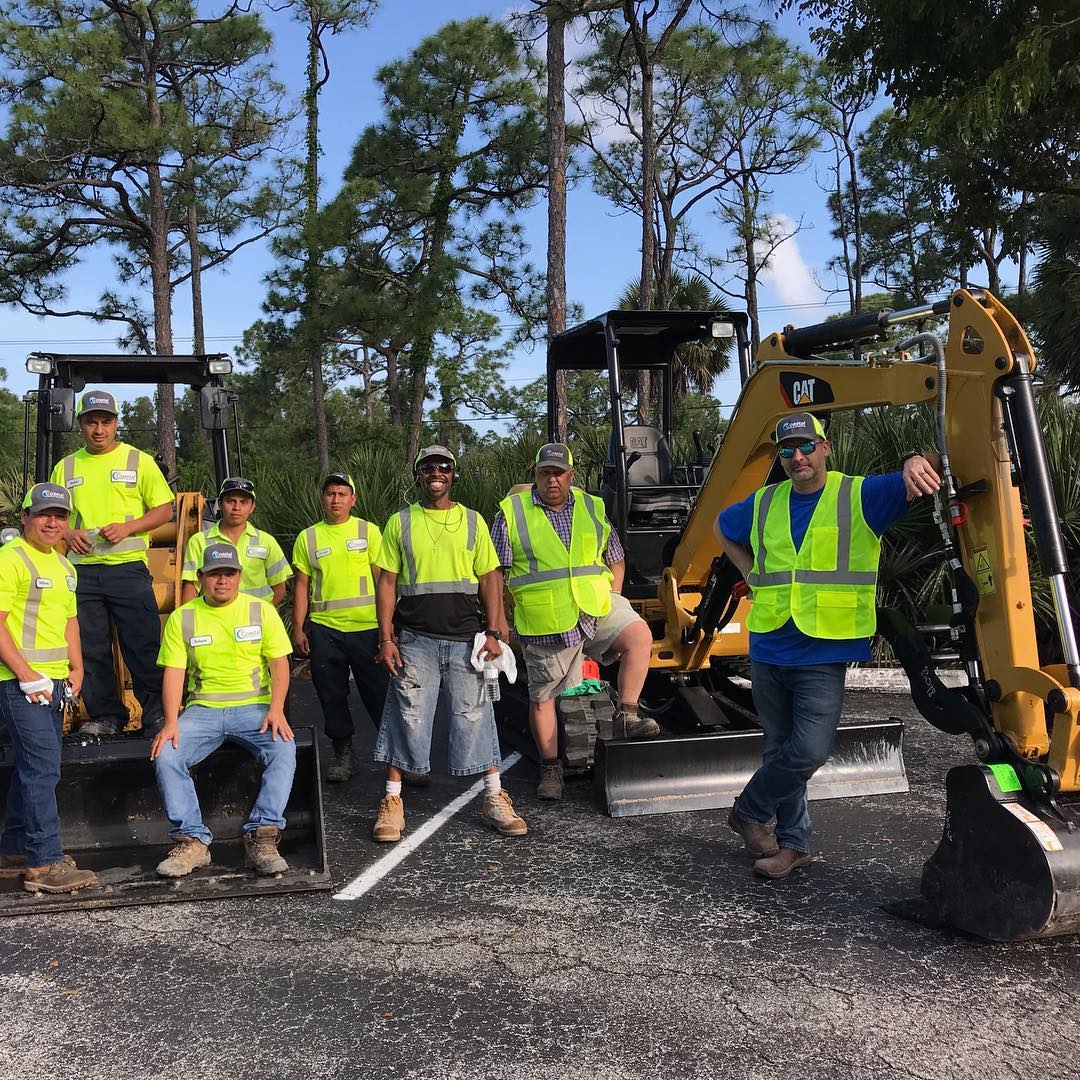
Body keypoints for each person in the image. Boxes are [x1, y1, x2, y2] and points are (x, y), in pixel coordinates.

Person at [718, 412, 941, 879]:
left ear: (825, 447)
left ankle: (749, 809)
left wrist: (914, 459)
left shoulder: (860, 495)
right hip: (769, 644)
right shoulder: (763, 503)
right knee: (780, 748)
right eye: (786, 449)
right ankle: (792, 843)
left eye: (805, 446)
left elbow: (933, 464)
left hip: (824, 649)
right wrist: (749, 572)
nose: (796, 456)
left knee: (810, 749)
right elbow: (722, 526)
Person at [370, 445, 525, 842]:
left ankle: (494, 798)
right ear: (418, 476)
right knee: (407, 716)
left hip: (465, 641)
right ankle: (392, 803)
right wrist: (386, 638)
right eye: (427, 467)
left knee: (476, 715)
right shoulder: (399, 523)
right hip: (414, 640)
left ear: (453, 475)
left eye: (443, 467)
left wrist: (496, 630)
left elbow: (491, 578)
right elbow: (387, 582)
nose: (435, 473)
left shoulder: (473, 522)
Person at [491, 443, 658, 801]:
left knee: (639, 635)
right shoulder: (512, 513)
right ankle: (551, 768)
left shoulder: (591, 507)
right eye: (545, 473)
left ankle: (626, 713)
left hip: (595, 608)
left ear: (571, 475)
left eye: (559, 473)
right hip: (547, 618)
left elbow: (615, 557)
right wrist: (499, 621)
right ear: (535, 475)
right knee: (544, 697)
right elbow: (493, 573)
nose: (553, 480)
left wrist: (613, 595)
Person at [150, 543, 296, 878]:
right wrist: (170, 722)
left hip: (254, 707)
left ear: (239, 576)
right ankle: (193, 841)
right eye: (214, 574)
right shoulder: (183, 617)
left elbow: (280, 665)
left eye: (228, 574)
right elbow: (174, 673)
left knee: (283, 749)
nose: (222, 581)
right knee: (167, 754)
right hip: (203, 709)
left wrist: (276, 709)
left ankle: (262, 836)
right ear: (201, 577)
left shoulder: (261, 611)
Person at [51, 390, 174, 737]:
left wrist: (129, 527)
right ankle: (107, 716)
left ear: (116, 423)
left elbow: (164, 509)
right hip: (82, 572)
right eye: (91, 422)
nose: (99, 429)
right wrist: (69, 531)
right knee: (91, 648)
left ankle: (156, 715)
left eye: (106, 422)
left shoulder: (139, 461)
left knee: (143, 644)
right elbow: (53, 516)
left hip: (128, 570)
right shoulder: (67, 467)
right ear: (81, 425)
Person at [0, 483, 97, 894]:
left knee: (34, 768)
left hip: (54, 682)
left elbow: (70, 623)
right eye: (43, 514)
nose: (52, 522)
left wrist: (77, 668)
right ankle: (45, 862)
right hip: (22, 684)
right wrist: (25, 675)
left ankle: (13, 852)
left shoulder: (65, 566)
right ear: (25, 517)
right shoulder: (10, 559)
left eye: (59, 516)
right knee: (43, 769)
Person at [291, 471, 389, 783]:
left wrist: (388, 628)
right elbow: (302, 585)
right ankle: (344, 755)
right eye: (331, 493)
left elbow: (383, 580)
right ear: (323, 498)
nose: (336, 499)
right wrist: (298, 628)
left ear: (353, 500)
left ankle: (398, 757)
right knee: (331, 695)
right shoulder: (309, 538)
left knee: (379, 694)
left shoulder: (369, 531)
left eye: (342, 494)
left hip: (367, 629)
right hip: (325, 630)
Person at [181, 476, 291, 605]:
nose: (236, 508)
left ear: (252, 507)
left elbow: (279, 588)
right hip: (215, 618)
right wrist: (188, 620)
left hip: (254, 621)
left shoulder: (266, 542)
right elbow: (191, 587)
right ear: (220, 504)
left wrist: (262, 614)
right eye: (231, 501)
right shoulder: (199, 541)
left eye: (243, 502)